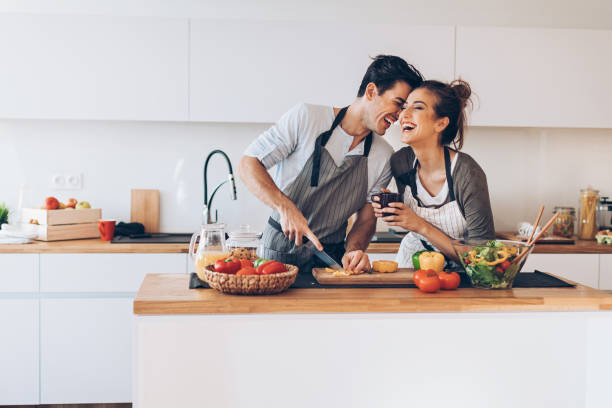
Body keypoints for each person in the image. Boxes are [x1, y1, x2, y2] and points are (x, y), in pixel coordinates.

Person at [238, 55, 424, 274]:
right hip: (278, 255)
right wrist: (285, 207)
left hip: (331, 260)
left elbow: (365, 219)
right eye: (398, 104)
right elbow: (248, 163)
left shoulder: (383, 155)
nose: (401, 115)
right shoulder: (307, 118)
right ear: (372, 91)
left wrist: (354, 250)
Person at [373, 79, 495, 267]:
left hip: (462, 272)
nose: (404, 114)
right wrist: (392, 207)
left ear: (441, 124)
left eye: (418, 107)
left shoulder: (467, 173)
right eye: (404, 107)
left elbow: (482, 258)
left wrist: (418, 224)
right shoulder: (401, 162)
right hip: (413, 261)